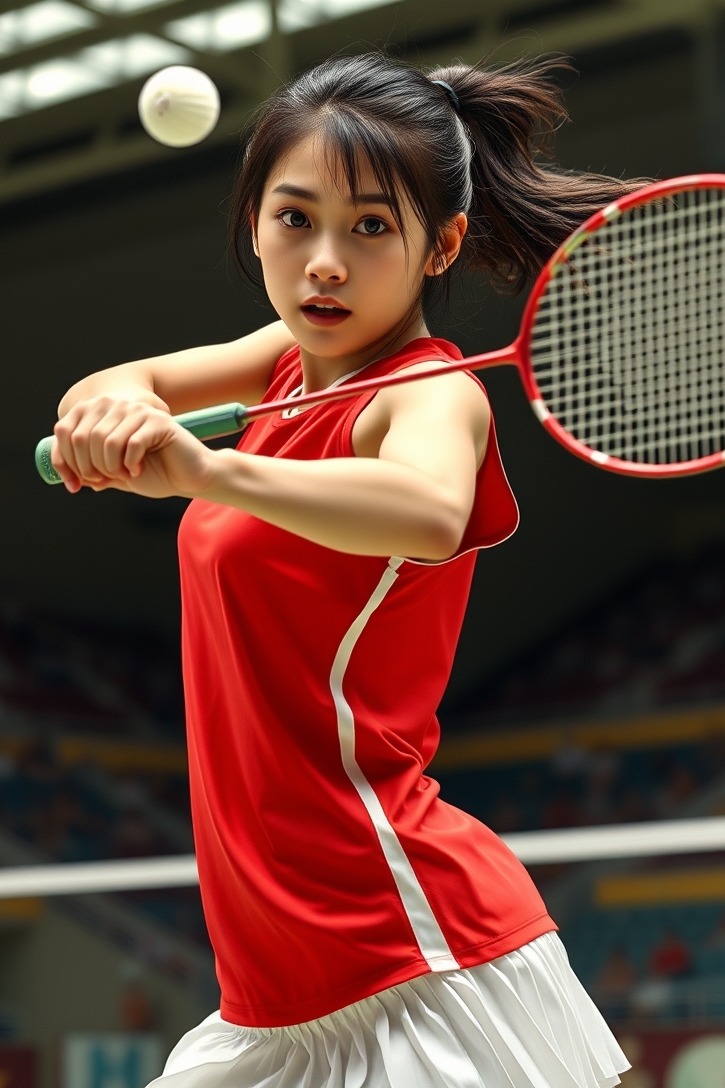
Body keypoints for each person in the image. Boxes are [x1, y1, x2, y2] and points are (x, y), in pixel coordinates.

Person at [49, 51, 639, 1088]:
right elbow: (122, 376)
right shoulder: (281, 358)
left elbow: (423, 507)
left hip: (405, 951)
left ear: (438, 243)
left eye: (370, 226)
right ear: (254, 224)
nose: (324, 261)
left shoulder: (429, 392)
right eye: (293, 218)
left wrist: (207, 469)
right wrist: (110, 404)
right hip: (274, 992)